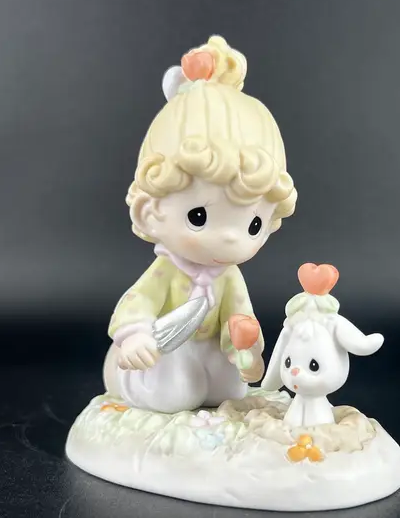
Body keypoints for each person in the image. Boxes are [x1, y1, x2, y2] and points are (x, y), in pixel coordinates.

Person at [102, 36, 297, 413]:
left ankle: (206, 380)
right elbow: (138, 302)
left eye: (253, 224)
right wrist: (135, 337)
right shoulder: (167, 271)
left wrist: (244, 348)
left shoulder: (228, 277)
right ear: (150, 211)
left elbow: (238, 316)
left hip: (207, 349)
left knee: (231, 389)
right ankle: (126, 379)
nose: (230, 240)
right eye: (199, 216)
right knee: (179, 392)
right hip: (166, 348)